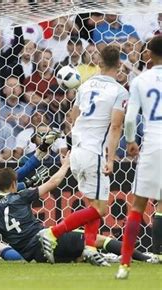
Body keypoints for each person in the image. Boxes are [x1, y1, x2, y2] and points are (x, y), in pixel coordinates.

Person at [0, 153, 157, 265]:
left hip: (34, 256)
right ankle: (146, 258)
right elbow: (54, 182)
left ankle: (84, 256)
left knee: (81, 254)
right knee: (100, 240)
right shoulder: (21, 196)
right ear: (13, 184)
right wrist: (66, 164)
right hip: (46, 241)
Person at [38, 45, 128, 266]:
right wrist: (110, 159)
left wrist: (71, 145)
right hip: (94, 152)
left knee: (92, 204)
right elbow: (116, 127)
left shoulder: (85, 85)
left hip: (78, 149)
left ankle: (89, 248)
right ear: (119, 64)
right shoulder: (120, 91)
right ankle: (52, 233)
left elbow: (73, 117)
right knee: (100, 208)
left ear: (99, 63)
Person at [116, 35, 162, 279]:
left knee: (138, 205)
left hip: (153, 143)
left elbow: (131, 117)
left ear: (149, 55)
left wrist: (131, 141)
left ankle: (124, 265)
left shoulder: (141, 80)